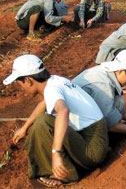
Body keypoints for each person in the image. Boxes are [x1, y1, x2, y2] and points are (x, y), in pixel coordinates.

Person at [4, 55, 108, 187]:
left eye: (20, 84)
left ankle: (65, 175)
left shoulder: (52, 89)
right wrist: (25, 128)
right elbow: (44, 104)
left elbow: (63, 111)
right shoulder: (56, 81)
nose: (21, 88)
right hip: (94, 139)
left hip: (92, 151)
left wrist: (56, 153)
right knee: (45, 120)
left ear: (29, 81)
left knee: (44, 122)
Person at [73, 50, 126, 137]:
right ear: (121, 71)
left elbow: (111, 106)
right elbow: (110, 126)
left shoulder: (106, 71)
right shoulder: (103, 85)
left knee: (119, 102)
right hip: (75, 123)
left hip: (84, 110)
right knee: (101, 145)